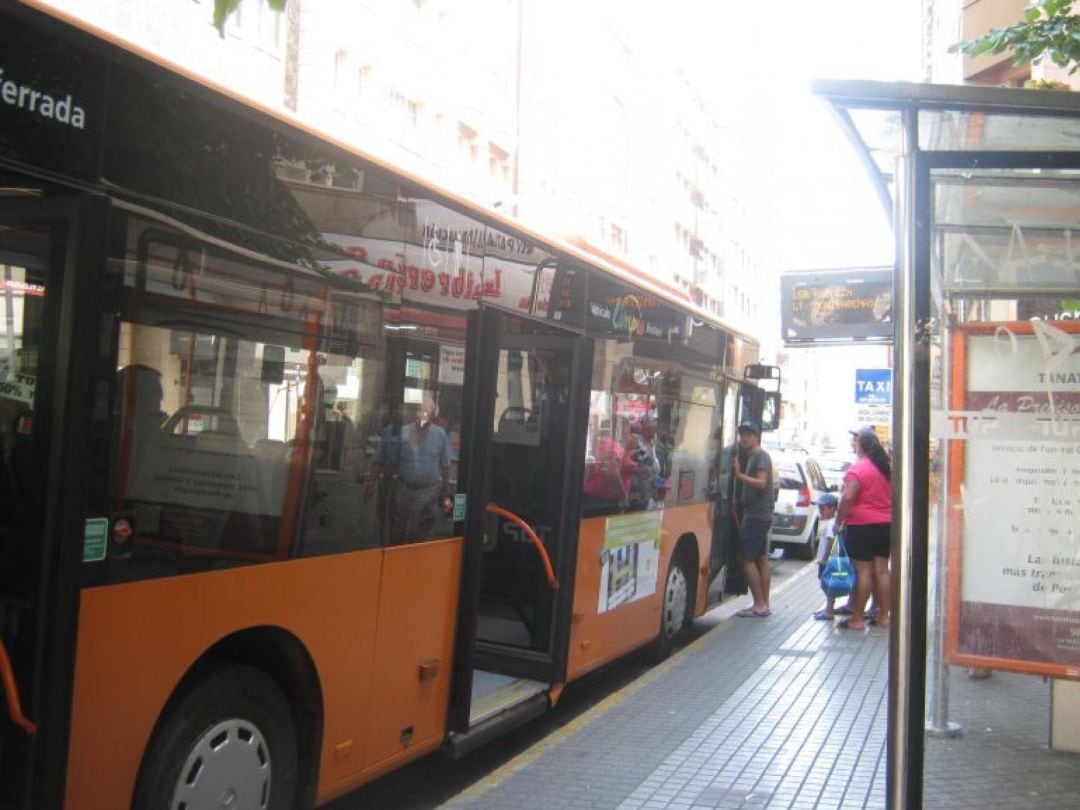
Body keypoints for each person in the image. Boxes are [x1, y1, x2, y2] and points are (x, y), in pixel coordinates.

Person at [835, 425, 892, 631]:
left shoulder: (858, 469)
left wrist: (839, 519)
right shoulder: (887, 467)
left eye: (855, 442)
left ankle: (857, 618)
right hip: (886, 525)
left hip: (862, 526)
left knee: (863, 572)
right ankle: (884, 616)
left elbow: (848, 497)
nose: (853, 445)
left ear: (862, 446)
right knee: (882, 571)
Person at [389, 397, 452, 543]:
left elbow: (445, 466)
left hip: (429, 492)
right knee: (399, 529)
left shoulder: (440, 435)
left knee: (423, 531)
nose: (423, 415)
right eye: (420, 411)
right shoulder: (403, 432)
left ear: (432, 415)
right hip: (404, 489)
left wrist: (446, 492)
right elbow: (393, 462)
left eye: (426, 412)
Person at [732, 421, 775, 617]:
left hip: (757, 514)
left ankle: (759, 604)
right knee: (761, 558)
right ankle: (764, 604)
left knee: (746, 558)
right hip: (759, 513)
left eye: (749, 434)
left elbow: (761, 483)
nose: (744, 438)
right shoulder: (753, 456)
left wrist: (739, 476)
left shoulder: (760, 456)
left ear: (757, 437)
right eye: (742, 435)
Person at [812, 492, 841, 620]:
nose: (821, 511)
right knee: (829, 585)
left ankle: (829, 610)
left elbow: (830, 541)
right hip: (832, 559)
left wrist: (824, 558)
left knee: (829, 585)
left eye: (823, 508)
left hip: (829, 560)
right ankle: (828, 608)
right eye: (820, 508)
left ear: (833, 508)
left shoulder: (831, 523)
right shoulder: (832, 522)